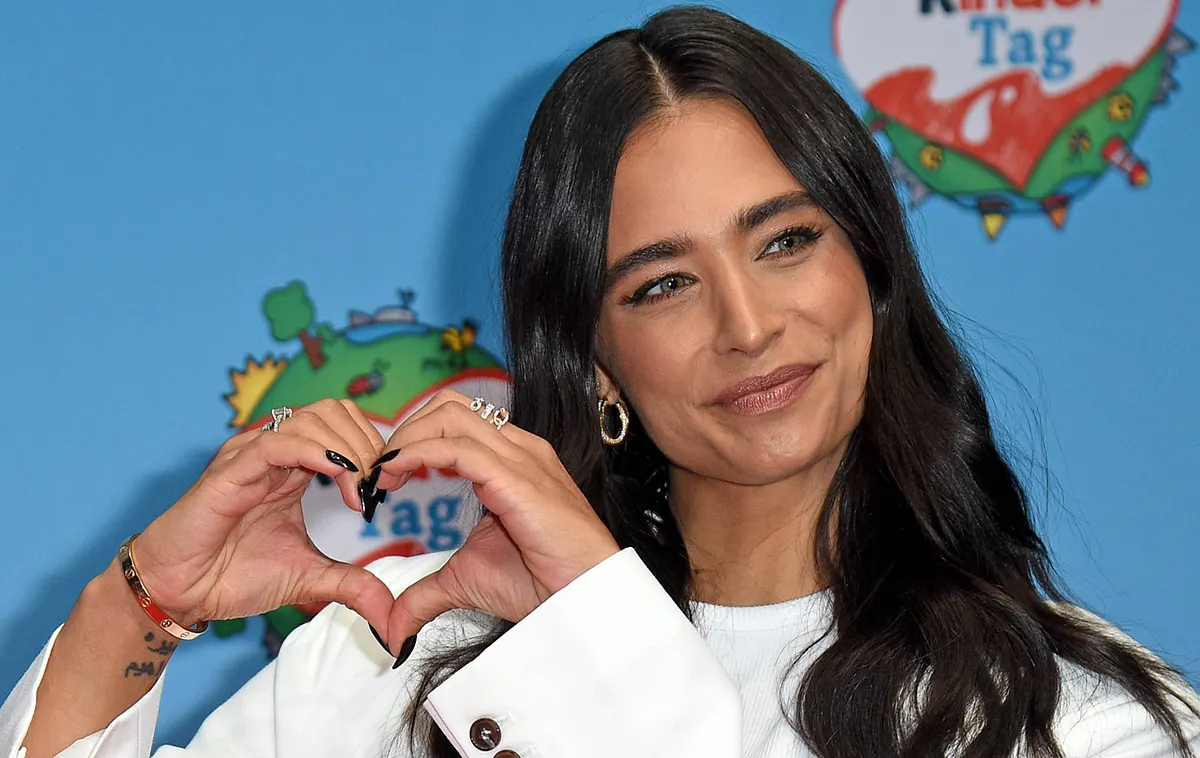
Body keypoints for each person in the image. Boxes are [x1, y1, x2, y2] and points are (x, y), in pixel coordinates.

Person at [4, 6, 1199, 758]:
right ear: (593, 358)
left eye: (787, 241)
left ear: (872, 271)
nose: (749, 324)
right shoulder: (399, 645)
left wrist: (600, 635)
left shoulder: (1087, 721)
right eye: (663, 283)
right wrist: (137, 606)